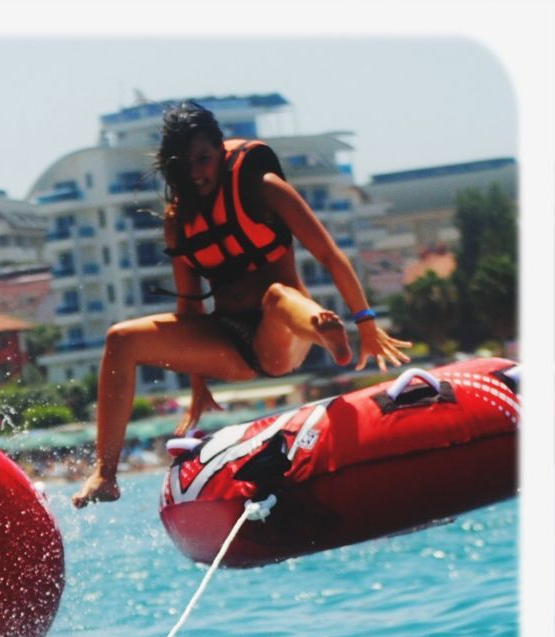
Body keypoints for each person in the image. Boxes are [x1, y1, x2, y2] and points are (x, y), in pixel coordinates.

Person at [72, 101, 411, 509]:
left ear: (219, 152)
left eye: (204, 159)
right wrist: (198, 387)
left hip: (284, 333)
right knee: (120, 339)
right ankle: (105, 474)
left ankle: (326, 332)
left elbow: (328, 254)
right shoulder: (178, 217)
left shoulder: (264, 187)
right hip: (228, 339)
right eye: (186, 163)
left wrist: (366, 322)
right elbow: (190, 308)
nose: (197, 172)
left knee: (277, 297)